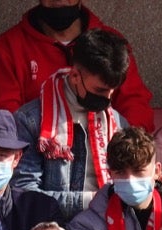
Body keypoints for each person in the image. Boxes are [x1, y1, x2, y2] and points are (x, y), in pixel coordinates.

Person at [10, 28, 131, 220]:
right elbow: (24, 195)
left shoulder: (116, 121)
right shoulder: (30, 120)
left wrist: (148, 185)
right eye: (99, 90)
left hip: (109, 225)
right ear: (75, 76)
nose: (107, 99)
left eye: (112, 91)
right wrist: (92, 202)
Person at [0, 2, 152, 131]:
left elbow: (135, 103)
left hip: (104, 153)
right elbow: (5, 115)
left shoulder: (110, 43)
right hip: (38, 155)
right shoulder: (9, 45)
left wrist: (126, 150)